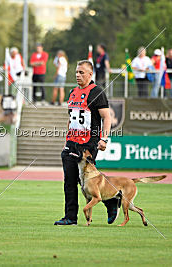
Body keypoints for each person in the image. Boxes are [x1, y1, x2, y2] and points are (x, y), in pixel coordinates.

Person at [54, 60, 121, 226]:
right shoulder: (72, 92)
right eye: (76, 72)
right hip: (72, 142)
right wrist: (66, 141)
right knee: (69, 179)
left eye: (81, 72)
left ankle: (111, 201)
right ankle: (70, 217)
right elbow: (72, 119)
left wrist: (104, 138)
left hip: (88, 143)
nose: (78, 75)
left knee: (88, 181)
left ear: (90, 74)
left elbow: (107, 117)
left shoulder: (97, 92)